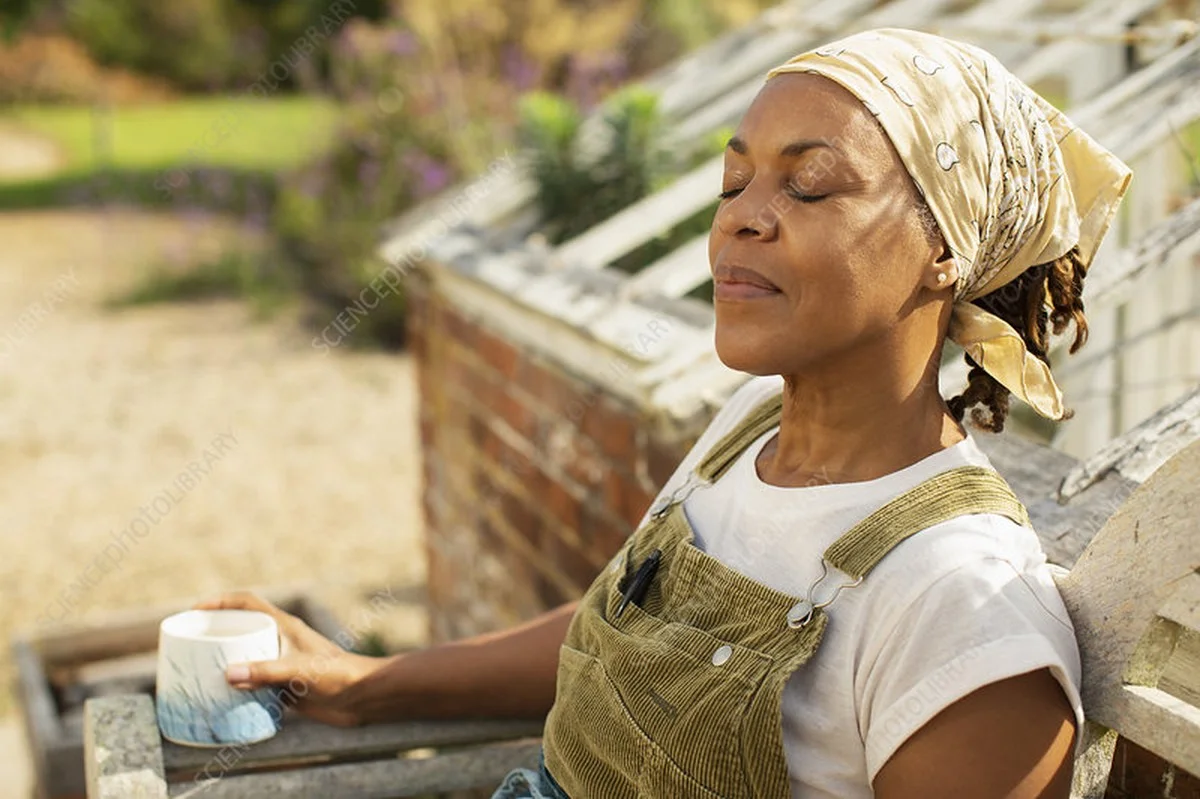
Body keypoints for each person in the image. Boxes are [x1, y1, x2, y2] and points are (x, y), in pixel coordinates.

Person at [198, 27, 1131, 799]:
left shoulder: (960, 610)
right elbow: (632, 625)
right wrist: (367, 686)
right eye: (734, 183)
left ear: (945, 249)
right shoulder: (747, 431)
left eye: (807, 185)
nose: (740, 218)